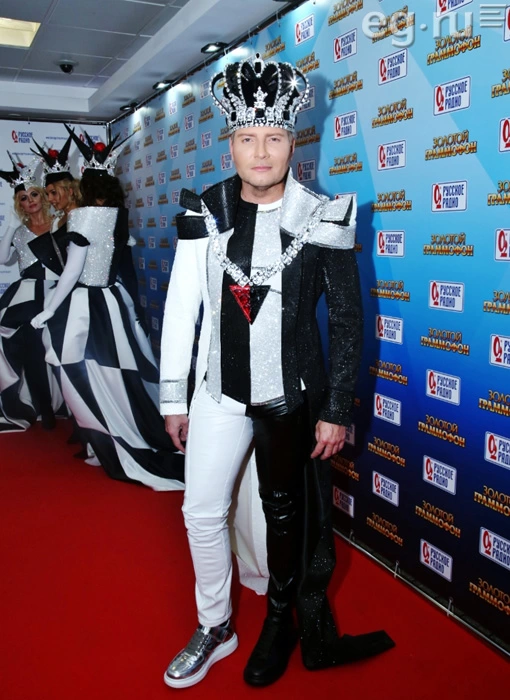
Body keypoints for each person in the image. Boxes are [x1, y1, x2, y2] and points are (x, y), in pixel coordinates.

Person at [159, 53, 394, 689]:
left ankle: (278, 620)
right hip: (218, 393)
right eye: (247, 138)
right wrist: (173, 399)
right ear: (230, 143)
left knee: (285, 515)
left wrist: (336, 408)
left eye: (274, 138)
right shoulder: (205, 210)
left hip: (290, 397)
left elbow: (347, 321)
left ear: (293, 141)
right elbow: (182, 308)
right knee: (200, 511)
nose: (260, 153)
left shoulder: (324, 215)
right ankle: (216, 625)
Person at [30, 132, 184, 490]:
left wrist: (49, 309)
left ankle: (109, 442)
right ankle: (102, 443)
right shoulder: (117, 216)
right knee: (114, 378)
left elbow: (72, 272)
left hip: (85, 305)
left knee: (83, 375)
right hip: (112, 301)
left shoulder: (83, 218)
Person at [0, 155, 64, 431]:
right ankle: (44, 407)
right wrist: (11, 226)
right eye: (24, 198)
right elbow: (3, 258)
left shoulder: (60, 222)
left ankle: (75, 408)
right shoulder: (19, 231)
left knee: (63, 351)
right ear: (20, 204)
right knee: (33, 351)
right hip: (26, 297)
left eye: (34, 194)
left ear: (42, 195)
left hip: (58, 293)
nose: (31, 201)